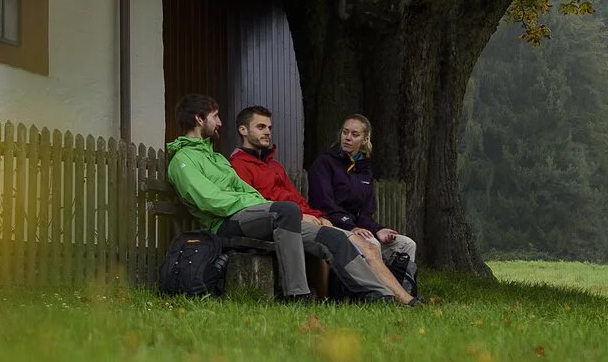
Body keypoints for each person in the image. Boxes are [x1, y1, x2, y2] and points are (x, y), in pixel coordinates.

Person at [164, 94, 407, 303]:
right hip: (224, 223)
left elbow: (246, 190)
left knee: (331, 236)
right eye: (215, 116)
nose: (219, 122)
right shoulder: (183, 160)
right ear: (199, 119)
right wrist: (258, 204)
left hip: (252, 217)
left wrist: (259, 203)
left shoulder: (215, 158)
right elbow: (209, 200)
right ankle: (298, 295)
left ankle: (378, 295)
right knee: (286, 210)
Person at [228, 105, 413, 303]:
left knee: (378, 245)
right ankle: (393, 297)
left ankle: (393, 295)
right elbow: (256, 204)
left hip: (304, 219)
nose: (267, 132)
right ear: (243, 130)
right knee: (360, 245)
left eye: (269, 128)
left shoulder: (274, 165)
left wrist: (318, 216)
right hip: (281, 223)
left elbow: (297, 198)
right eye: (261, 127)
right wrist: (302, 215)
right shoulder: (238, 165)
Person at [307, 113, 419, 295]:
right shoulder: (325, 163)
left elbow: (366, 214)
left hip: (358, 229)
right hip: (332, 226)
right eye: (345, 132)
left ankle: (406, 291)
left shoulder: (364, 169)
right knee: (371, 242)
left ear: (365, 139)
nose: (348, 138)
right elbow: (324, 205)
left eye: (354, 134)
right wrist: (351, 227)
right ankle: (379, 295)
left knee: (406, 244)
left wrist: (379, 229)